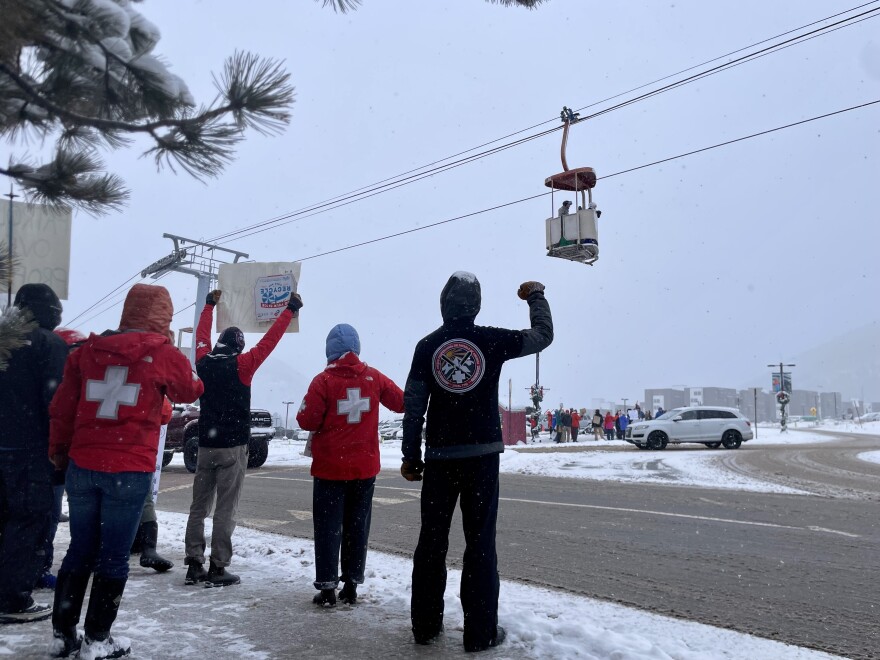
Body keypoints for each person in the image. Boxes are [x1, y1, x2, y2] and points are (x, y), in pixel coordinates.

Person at [48, 283, 204, 659]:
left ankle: (62, 634)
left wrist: (59, 454)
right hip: (128, 469)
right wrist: (170, 353)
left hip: (83, 466)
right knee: (113, 556)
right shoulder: (161, 353)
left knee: (79, 550)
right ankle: (97, 639)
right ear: (163, 318)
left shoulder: (86, 352)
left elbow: (62, 409)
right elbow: (190, 391)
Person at [400, 273, 553, 652]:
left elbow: (413, 405)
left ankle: (424, 626)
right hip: (482, 458)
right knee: (481, 544)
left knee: (432, 543)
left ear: (444, 303)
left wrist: (410, 456)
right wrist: (536, 296)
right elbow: (542, 337)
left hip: (438, 458)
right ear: (476, 305)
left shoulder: (427, 346)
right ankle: (480, 633)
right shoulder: (491, 340)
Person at [184, 288, 302, 588]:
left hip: (206, 446)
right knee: (225, 508)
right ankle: (218, 567)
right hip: (233, 447)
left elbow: (200, 337)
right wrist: (289, 310)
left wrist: (210, 305)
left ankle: (194, 563)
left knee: (199, 505)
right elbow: (270, 341)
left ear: (219, 343)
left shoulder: (203, 361)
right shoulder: (244, 364)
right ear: (239, 347)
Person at [297, 324, 404, 608]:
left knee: (329, 527)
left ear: (330, 351)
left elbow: (307, 421)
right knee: (358, 526)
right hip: (364, 470)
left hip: (329, 470)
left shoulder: (322, 381)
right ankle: (351, 585)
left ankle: (328, 588)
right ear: (357, 349)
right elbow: (402, 402)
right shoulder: (374, 378)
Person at [0, 284, 67, 624]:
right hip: (30, 450)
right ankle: (12, 599)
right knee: (27, 521)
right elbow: (56, 403)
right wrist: (59, 451)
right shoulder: (48, 344)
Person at [129, 397, 175, 573]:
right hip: (137, 451)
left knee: (103, 501)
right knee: (144, 499)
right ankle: (148, 548)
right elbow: (165, 413)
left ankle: (97, 551)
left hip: (103, 450)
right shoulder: (147, 375)